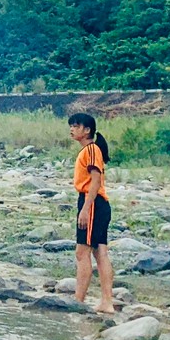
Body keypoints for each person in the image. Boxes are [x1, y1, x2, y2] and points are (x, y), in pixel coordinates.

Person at [70, 112, 116, 315]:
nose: (72, 129)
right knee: (100, 252)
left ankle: (78, 301)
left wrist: (85, 209)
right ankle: (106, 301)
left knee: (82, 253)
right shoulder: (91, 150)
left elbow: (95, 181)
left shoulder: (90, 149)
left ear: (87, 130)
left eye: (76, 126)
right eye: (71, 126)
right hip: (98, 203)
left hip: (93, 202)